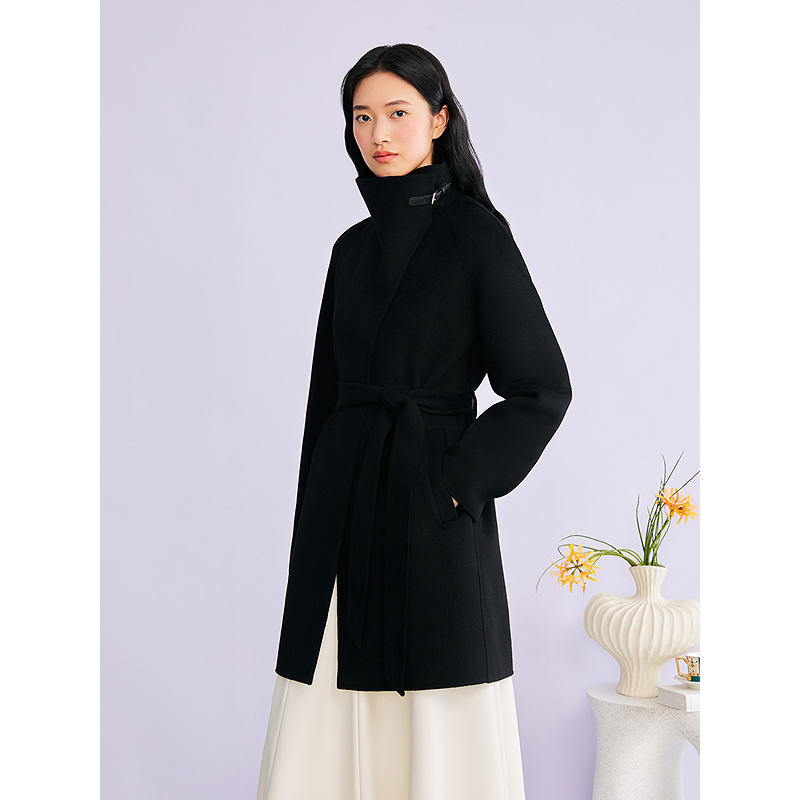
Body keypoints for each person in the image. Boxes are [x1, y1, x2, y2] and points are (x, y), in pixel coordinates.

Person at [256, 43, 572, 800]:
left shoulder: (476, 233)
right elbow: (325, 399)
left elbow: (541, 387)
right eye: (362, 117)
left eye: (398, 113)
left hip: (430, 500)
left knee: (437, 691)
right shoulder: (350, 249)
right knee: (327, 681)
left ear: (439, 119)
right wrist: (314, 513)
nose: (379, 134)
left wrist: (456, 482)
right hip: (343, 504)